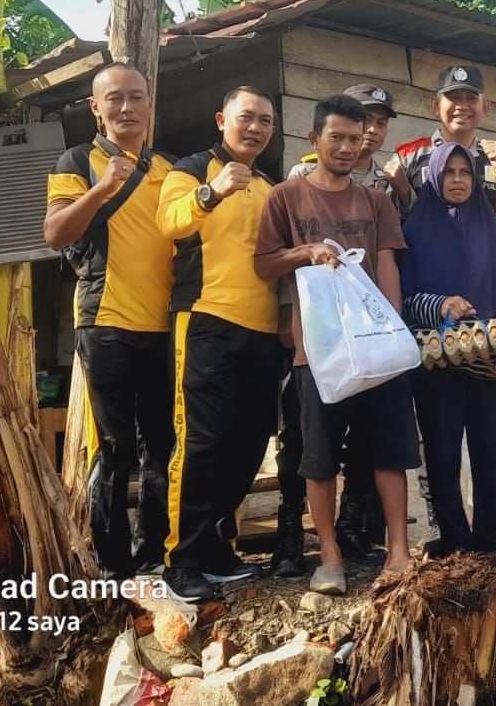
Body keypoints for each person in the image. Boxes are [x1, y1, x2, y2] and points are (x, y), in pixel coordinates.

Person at [256, 93, 419, 596]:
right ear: (314, 139)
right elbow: (264, 264)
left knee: (388, 454)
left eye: (356, 137)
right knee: (319, 458)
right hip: (318, 354)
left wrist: (393, 329)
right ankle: (328, 557)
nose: (348, 146)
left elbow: (387, 262)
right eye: (338, 137)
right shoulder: (285, 197)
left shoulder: (375, 202)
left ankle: (399, 551)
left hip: (376, 348)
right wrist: (304, 251)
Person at [43, 63, 174, 580]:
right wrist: (100, 189)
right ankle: (110, 560)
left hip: (164, 327)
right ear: (96, 108)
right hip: (106, 323)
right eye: (114, 99)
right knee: (116, 445)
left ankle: (154, 552)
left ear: (149, 106)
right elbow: (54, 234)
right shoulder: (78, 160)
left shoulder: (168, 168)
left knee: (161, 444)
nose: (126, 108)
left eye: (136, 98)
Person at [155, 86, 283, 603]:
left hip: (263, 329)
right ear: (221, 119)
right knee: (201, 442)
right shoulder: (190, 170)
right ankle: (180, 558)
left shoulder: (271, 187)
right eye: (246, 117)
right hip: (205, 319)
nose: (255, 128)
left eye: (265, 121)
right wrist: (212, 192)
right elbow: (168, 222)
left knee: (250, 441)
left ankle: (213, 546)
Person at [401, 143, 496, 558]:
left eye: (466, 173)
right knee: (440, 452)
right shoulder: (415, 230)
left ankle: (489, 538)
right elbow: (402, 297)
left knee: (493, 450)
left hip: (492, 363)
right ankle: (454, 537)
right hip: (437, 363)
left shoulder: (491, 230)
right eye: (449, 172)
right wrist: (440, 304)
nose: (458, 180)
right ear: (434, 178)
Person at [393, 64, 496, 230]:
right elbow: (389, 227)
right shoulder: (408, 156)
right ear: (435, 106)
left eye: (471, 98)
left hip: (484, 255)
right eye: (453, 97)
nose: (462, 106)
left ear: (485, 107)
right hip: (423, 255)